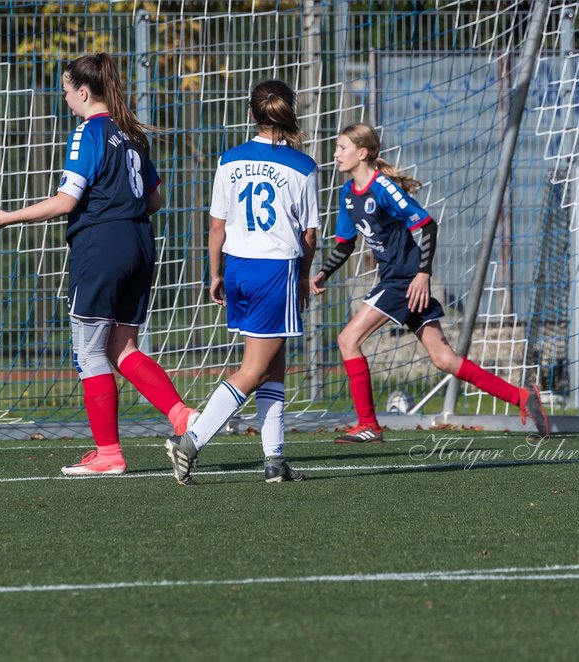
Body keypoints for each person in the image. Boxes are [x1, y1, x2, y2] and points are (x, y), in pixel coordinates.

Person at [0, 52, 196, 475]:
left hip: (102, 245)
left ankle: (109, 454)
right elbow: (155, 199)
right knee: (122, 347)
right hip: (140, 242)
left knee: (88, 351)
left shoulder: (88, 132)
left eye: (66, 91)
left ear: (82, 91)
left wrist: (7, 217)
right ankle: (183, 417)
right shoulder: (132, 134)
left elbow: (67, 201)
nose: (65, 99)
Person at [310, 123, 549, 441]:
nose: (336, 154)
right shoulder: (347, 194)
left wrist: (423, 274)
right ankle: (523, 397)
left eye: (342, 148)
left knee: (347, 340)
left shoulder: (383, 188)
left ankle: (368, 424)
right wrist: (325, 272)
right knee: (444, 359)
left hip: (404, 280)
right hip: (399, 281)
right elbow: (345, 244)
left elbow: (427, 224)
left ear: (363, 153)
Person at [164, 80, 319, 484]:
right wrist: (303, 276)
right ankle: (190, 441)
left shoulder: (230, 160)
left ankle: (274, 460)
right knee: (253, 370)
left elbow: (216, 227)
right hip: (274, 270)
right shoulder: (303, 166)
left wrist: (215, 273)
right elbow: (309, 237)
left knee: (274, 365)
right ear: (290, 114)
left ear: (252, 114)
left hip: (237, 268)